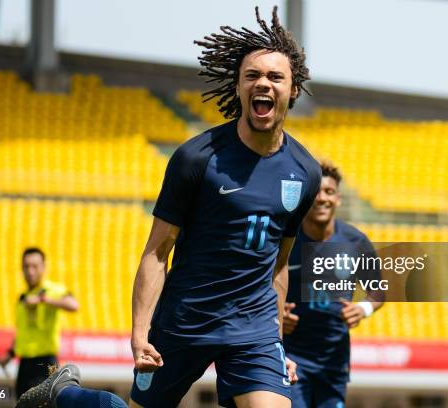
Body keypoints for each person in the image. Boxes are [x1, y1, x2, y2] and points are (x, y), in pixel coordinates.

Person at [17, 7, 321, 408]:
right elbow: (157, 252)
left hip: (254, 331)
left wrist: (277, 341)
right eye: (252, 75)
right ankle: (65, 394)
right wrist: (140, 333)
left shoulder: (305, 172)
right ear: (238, 86)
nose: (263, 83)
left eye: (275, 76)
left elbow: (279, 264)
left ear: (293, 88)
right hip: (185, 320)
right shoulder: (197, 158)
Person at [282, 161, 384, 408]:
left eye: (328, 192)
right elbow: (260, 283)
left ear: (337, 198)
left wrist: (363, 309)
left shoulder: (354, 241)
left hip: (334, 360)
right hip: (291, 355)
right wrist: (275, 314)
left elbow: (378, 291)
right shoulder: (286, 238)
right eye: (315, 192)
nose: (321, 198)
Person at [0, 247, 79, 399]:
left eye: (35, 266)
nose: (30, 271)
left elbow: (74, 305)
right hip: (24, 364)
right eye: (26, 266)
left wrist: (43, 300)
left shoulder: (51, 290)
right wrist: (9, 354)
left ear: (44, 267)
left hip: (45, 363)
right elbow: (24, 333)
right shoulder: (22, 298)